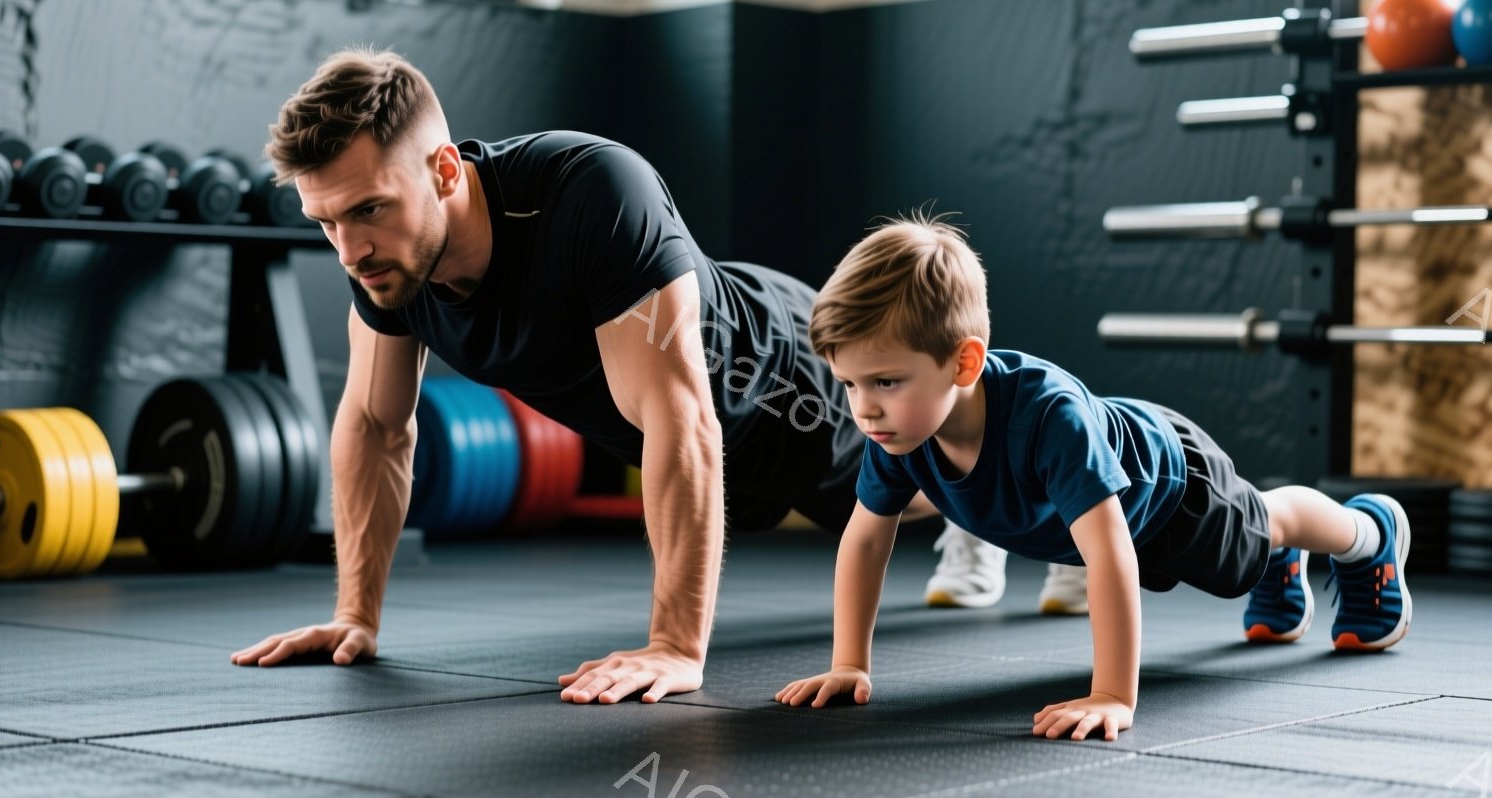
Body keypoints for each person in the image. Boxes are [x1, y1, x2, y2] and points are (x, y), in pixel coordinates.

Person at [227, 48, 1011, 701]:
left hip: (781, 385)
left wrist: (675, 645)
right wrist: (355, 615)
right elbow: (375, 425)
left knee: (928, 486)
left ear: (443, 170)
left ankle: (1023, 487)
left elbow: (680, 416)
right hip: (703, 454)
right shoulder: (388, 263)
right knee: (870, 504)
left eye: (368, 209)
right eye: (326, 221)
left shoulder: (588, 190)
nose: (348, 249)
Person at [774, 215, 1412, 741]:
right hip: (1123, 511)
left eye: (885, 381)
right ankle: (1278, 561)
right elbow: (865, 540)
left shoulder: (1050, 419)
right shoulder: (899, 429)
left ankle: (1368, 532)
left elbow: (1108, 556)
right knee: (1248, 558)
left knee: (1266, 527)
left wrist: (1111, 694)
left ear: (963, 363)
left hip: (1175, 489)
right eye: (848, 384)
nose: (864, 409)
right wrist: (849, 663)